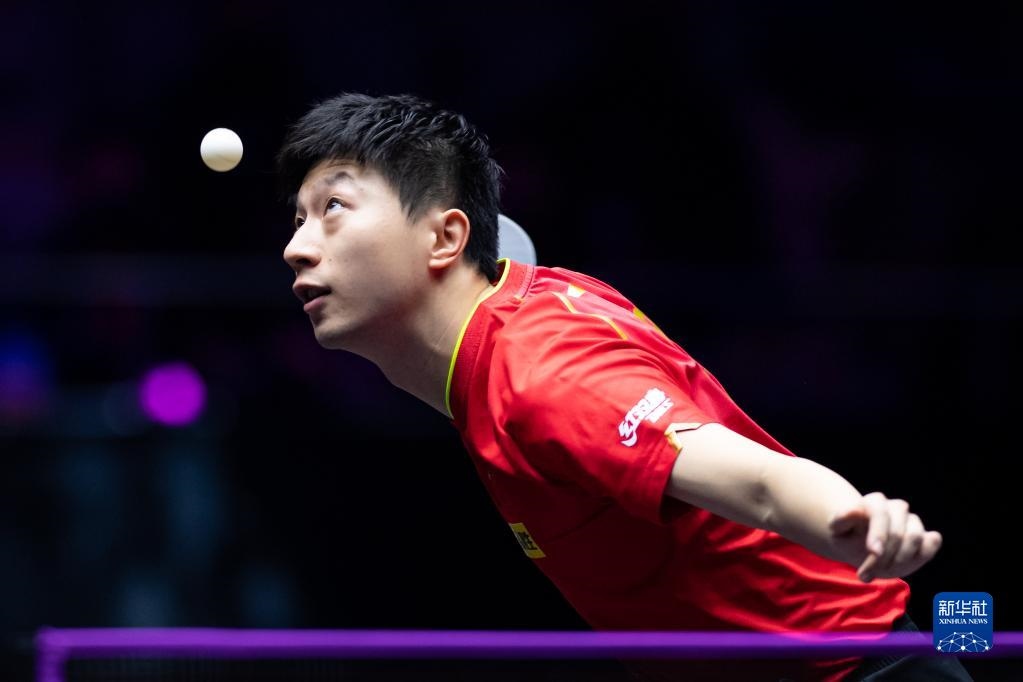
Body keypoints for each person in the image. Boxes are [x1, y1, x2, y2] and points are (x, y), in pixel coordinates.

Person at [277, 93, 971, 681]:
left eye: (334, 206)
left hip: (861, 669)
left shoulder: (543, 376)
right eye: (300, 217)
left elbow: (758, 481)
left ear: (445, 238)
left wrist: (851, 520)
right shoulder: (507, 312)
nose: (297, 247)